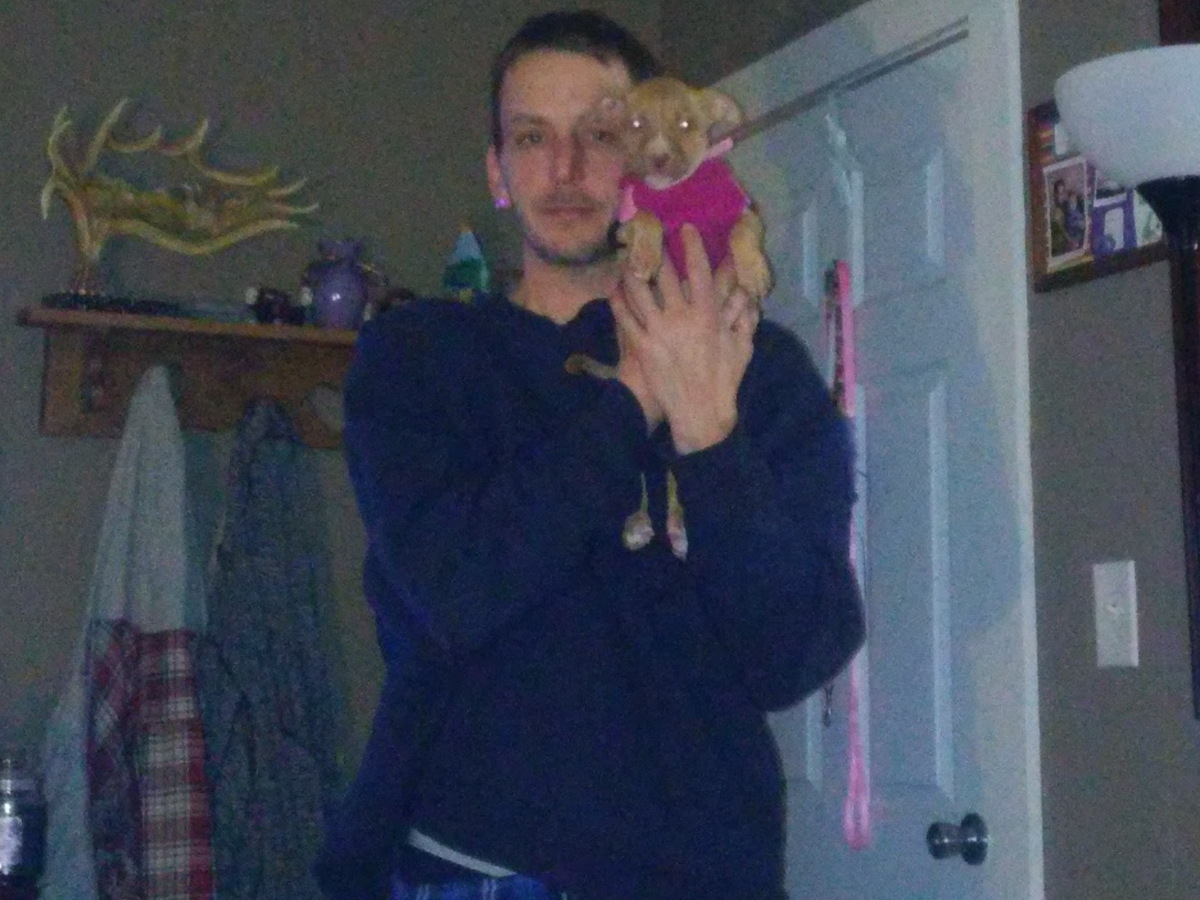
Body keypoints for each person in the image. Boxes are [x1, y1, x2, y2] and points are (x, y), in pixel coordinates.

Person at [315, 10, 864, 900]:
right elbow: (456, 589)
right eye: (532, 138)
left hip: (699, 875)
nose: (565, 169)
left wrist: (707, 434)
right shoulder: (417, 359)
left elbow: (794, 653)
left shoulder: (755, 367)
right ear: (497, 172)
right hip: (471, 868)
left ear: (651, 155)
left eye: (601, 134)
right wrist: (638, 394)